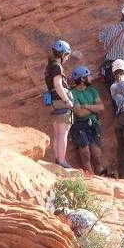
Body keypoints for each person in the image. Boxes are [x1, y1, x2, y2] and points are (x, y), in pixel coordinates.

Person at [45, 39, 75, 168]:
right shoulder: (57, 67)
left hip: (53, 101)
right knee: (63, 133)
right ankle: (62, 161)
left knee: (57, 133)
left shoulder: (49, 66)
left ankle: (58, 159)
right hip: (60, 102)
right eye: (67, 55)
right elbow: (58, 85)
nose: (67, 58)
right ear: (62, 54)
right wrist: (67, 100)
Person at [71, 65, 105, 175]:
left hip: (93, 125)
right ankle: (91, 179)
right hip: (80, 125)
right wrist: (94, 109)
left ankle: (102, 178)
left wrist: (86, 106)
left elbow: (101, 107)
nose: (91, 78)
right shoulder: (73, 93)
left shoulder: (92, 90)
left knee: (97, 156)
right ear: (82, 79)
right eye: (89, 76)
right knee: (86, 155)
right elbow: (79, 113)